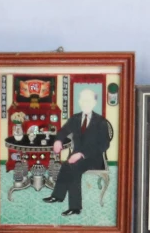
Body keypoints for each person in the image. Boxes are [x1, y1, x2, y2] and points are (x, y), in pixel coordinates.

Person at [46, 87, 112, 216]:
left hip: (94, 158)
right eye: (83, 100)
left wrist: (82, 154)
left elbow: (104, 145)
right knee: (66, 165)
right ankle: (58, 196)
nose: (85, 103)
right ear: (79, 102)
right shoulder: (75, 118)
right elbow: (63, 131)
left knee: (73, 167)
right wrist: (58, 140)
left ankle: (75, 207)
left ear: (94, 103)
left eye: (88, 100)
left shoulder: (101, 121)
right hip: (76, 156)